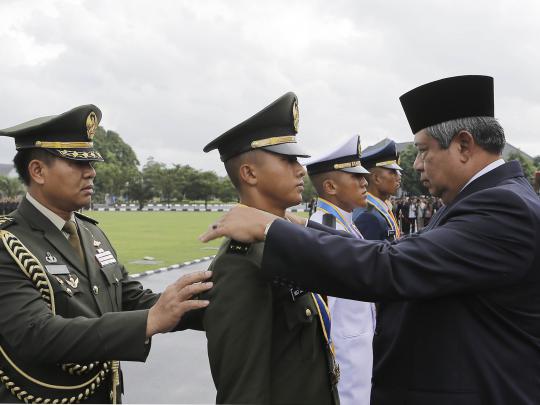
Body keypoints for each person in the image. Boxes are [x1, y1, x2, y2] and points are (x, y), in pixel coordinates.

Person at [200, 75, 540, 405]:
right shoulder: (490, 199)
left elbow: (392, 265)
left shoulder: (502, 208)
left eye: (423, 151)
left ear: (464, 145)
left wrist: (272, 229)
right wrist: (298, 226)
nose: (418, 164)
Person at [0, 105, 212, 404]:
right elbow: (36, 335)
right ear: (37, 171)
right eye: (76, 163)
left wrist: (208, 302)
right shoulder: (7, 243)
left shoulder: (90, 233)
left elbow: (128, 298)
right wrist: (148, 321)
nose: (91, 172)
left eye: (91, 162)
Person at [201, 92, 340, 404]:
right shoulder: (242, 262)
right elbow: (243, 391)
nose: (301, 169)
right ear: (249, 173)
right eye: (288, 160)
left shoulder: (284, 242)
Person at [305, 135, 373, 405]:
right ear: (331, 186)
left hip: (358, 359)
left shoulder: (345, 225)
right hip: (342, 368)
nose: (365, 182)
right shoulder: (324, 231)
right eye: (355, 177)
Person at [352, 140, 402, 241]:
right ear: (376, 178)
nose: (399, 176)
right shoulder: (367, 217)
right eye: (393, 172)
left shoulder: (377, 210)